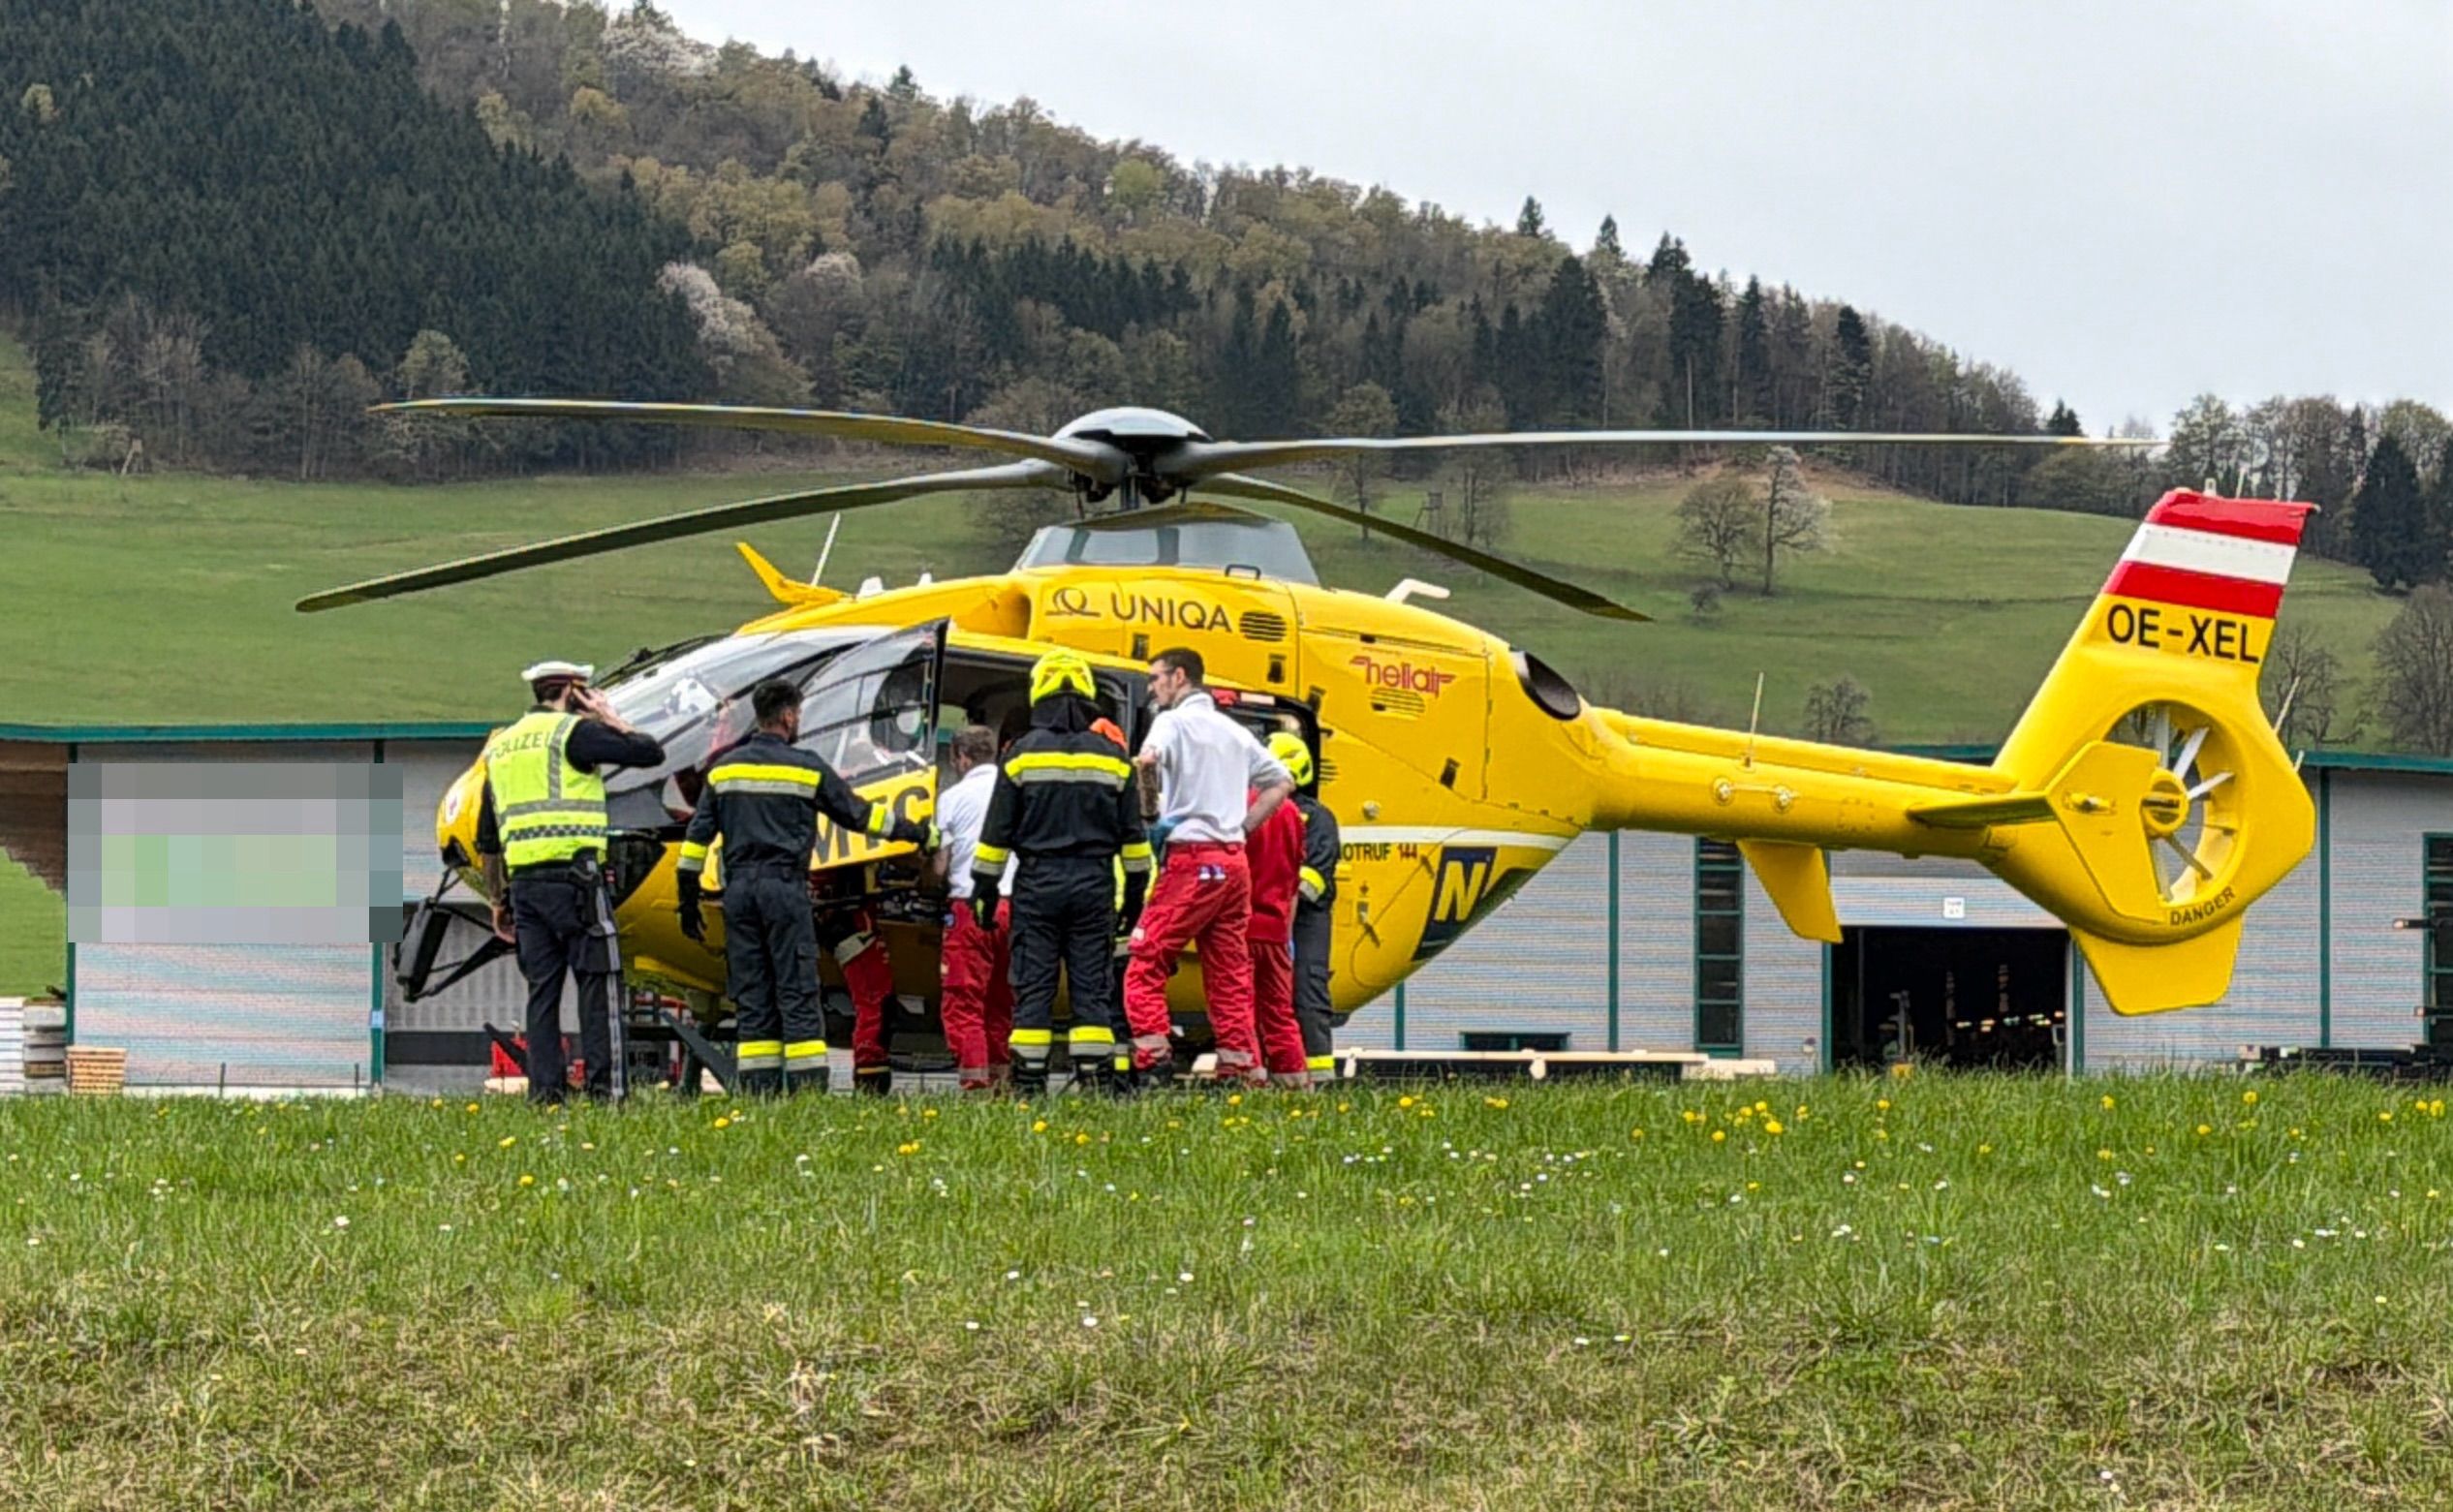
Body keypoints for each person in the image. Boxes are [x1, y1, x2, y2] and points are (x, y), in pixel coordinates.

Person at [674, 680, 933, 1096]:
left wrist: (687, 900)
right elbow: (860, 816)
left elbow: (695, 844)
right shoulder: (806, 767)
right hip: (785, 888)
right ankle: (807, 1092)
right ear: (789, 715)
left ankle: (759, 1092)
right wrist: (917, 832)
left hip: (739, 892)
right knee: (796, 989)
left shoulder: (724, 770)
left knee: (753, 992)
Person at [476, 660, 667, 1106]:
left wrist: (497, 900)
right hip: (577, 882)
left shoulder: (501, 748)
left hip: (525, 888)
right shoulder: (574, 734)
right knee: (598, 983)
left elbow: (488, 839)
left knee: (542, 992)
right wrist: (609, 716)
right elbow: (649, 752)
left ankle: (546, 1093)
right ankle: (605, 1092)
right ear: (572, 691)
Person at [973, 650, 1152, 1095]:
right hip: (1094, 886)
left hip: (1037, 885)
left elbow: (995, 835)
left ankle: (1029, 1086)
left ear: (1039, 693)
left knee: (1034, 987)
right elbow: (1135, 843)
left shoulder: (1019, 756)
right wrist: (1134, 900)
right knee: (1092, 988)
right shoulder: (1114, 757)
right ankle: (1095, 1084)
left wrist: (984, 892)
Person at [1123, 647, 1293, 1087]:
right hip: (1233, 863)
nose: (1153, 688)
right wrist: (1243, 827)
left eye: (1156, 678)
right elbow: (1281, 782)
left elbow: (1146, 762)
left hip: (1191, 858)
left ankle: (1153, 1060)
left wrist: (1150, 817)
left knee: (1146, 958)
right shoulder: (1234, 731)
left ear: (1179, 676)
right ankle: (1239, 1068)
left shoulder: (1172, 722)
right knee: (1230, 971)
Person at [930, 725, 1013, 1092]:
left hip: (969, 907)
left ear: (962, 758)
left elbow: (939, 867)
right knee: (1001, 1000)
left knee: (964, 1000)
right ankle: (1001, 1083)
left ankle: (975, 1086)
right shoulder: (1013, 790)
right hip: (1013, 907)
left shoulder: (953, 797)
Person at [1270, 730, 1341, 1081]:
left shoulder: (1317, 818)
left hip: (1306, 920)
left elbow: (1314, 877)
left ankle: (1319, 1077)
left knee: (1307, 992)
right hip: (1272, 914)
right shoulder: (1262, 811)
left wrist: (1280, 898)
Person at [1243, 754, 1314, 1089]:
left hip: (1239, 928)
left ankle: (1248, 1080)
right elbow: (1294, 879)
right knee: (1279, 1012)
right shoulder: (1291, 813)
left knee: (1239, 1010)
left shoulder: (1240, 806)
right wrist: (1285, 935)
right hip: (1275, 927)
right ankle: (1295, 1082)